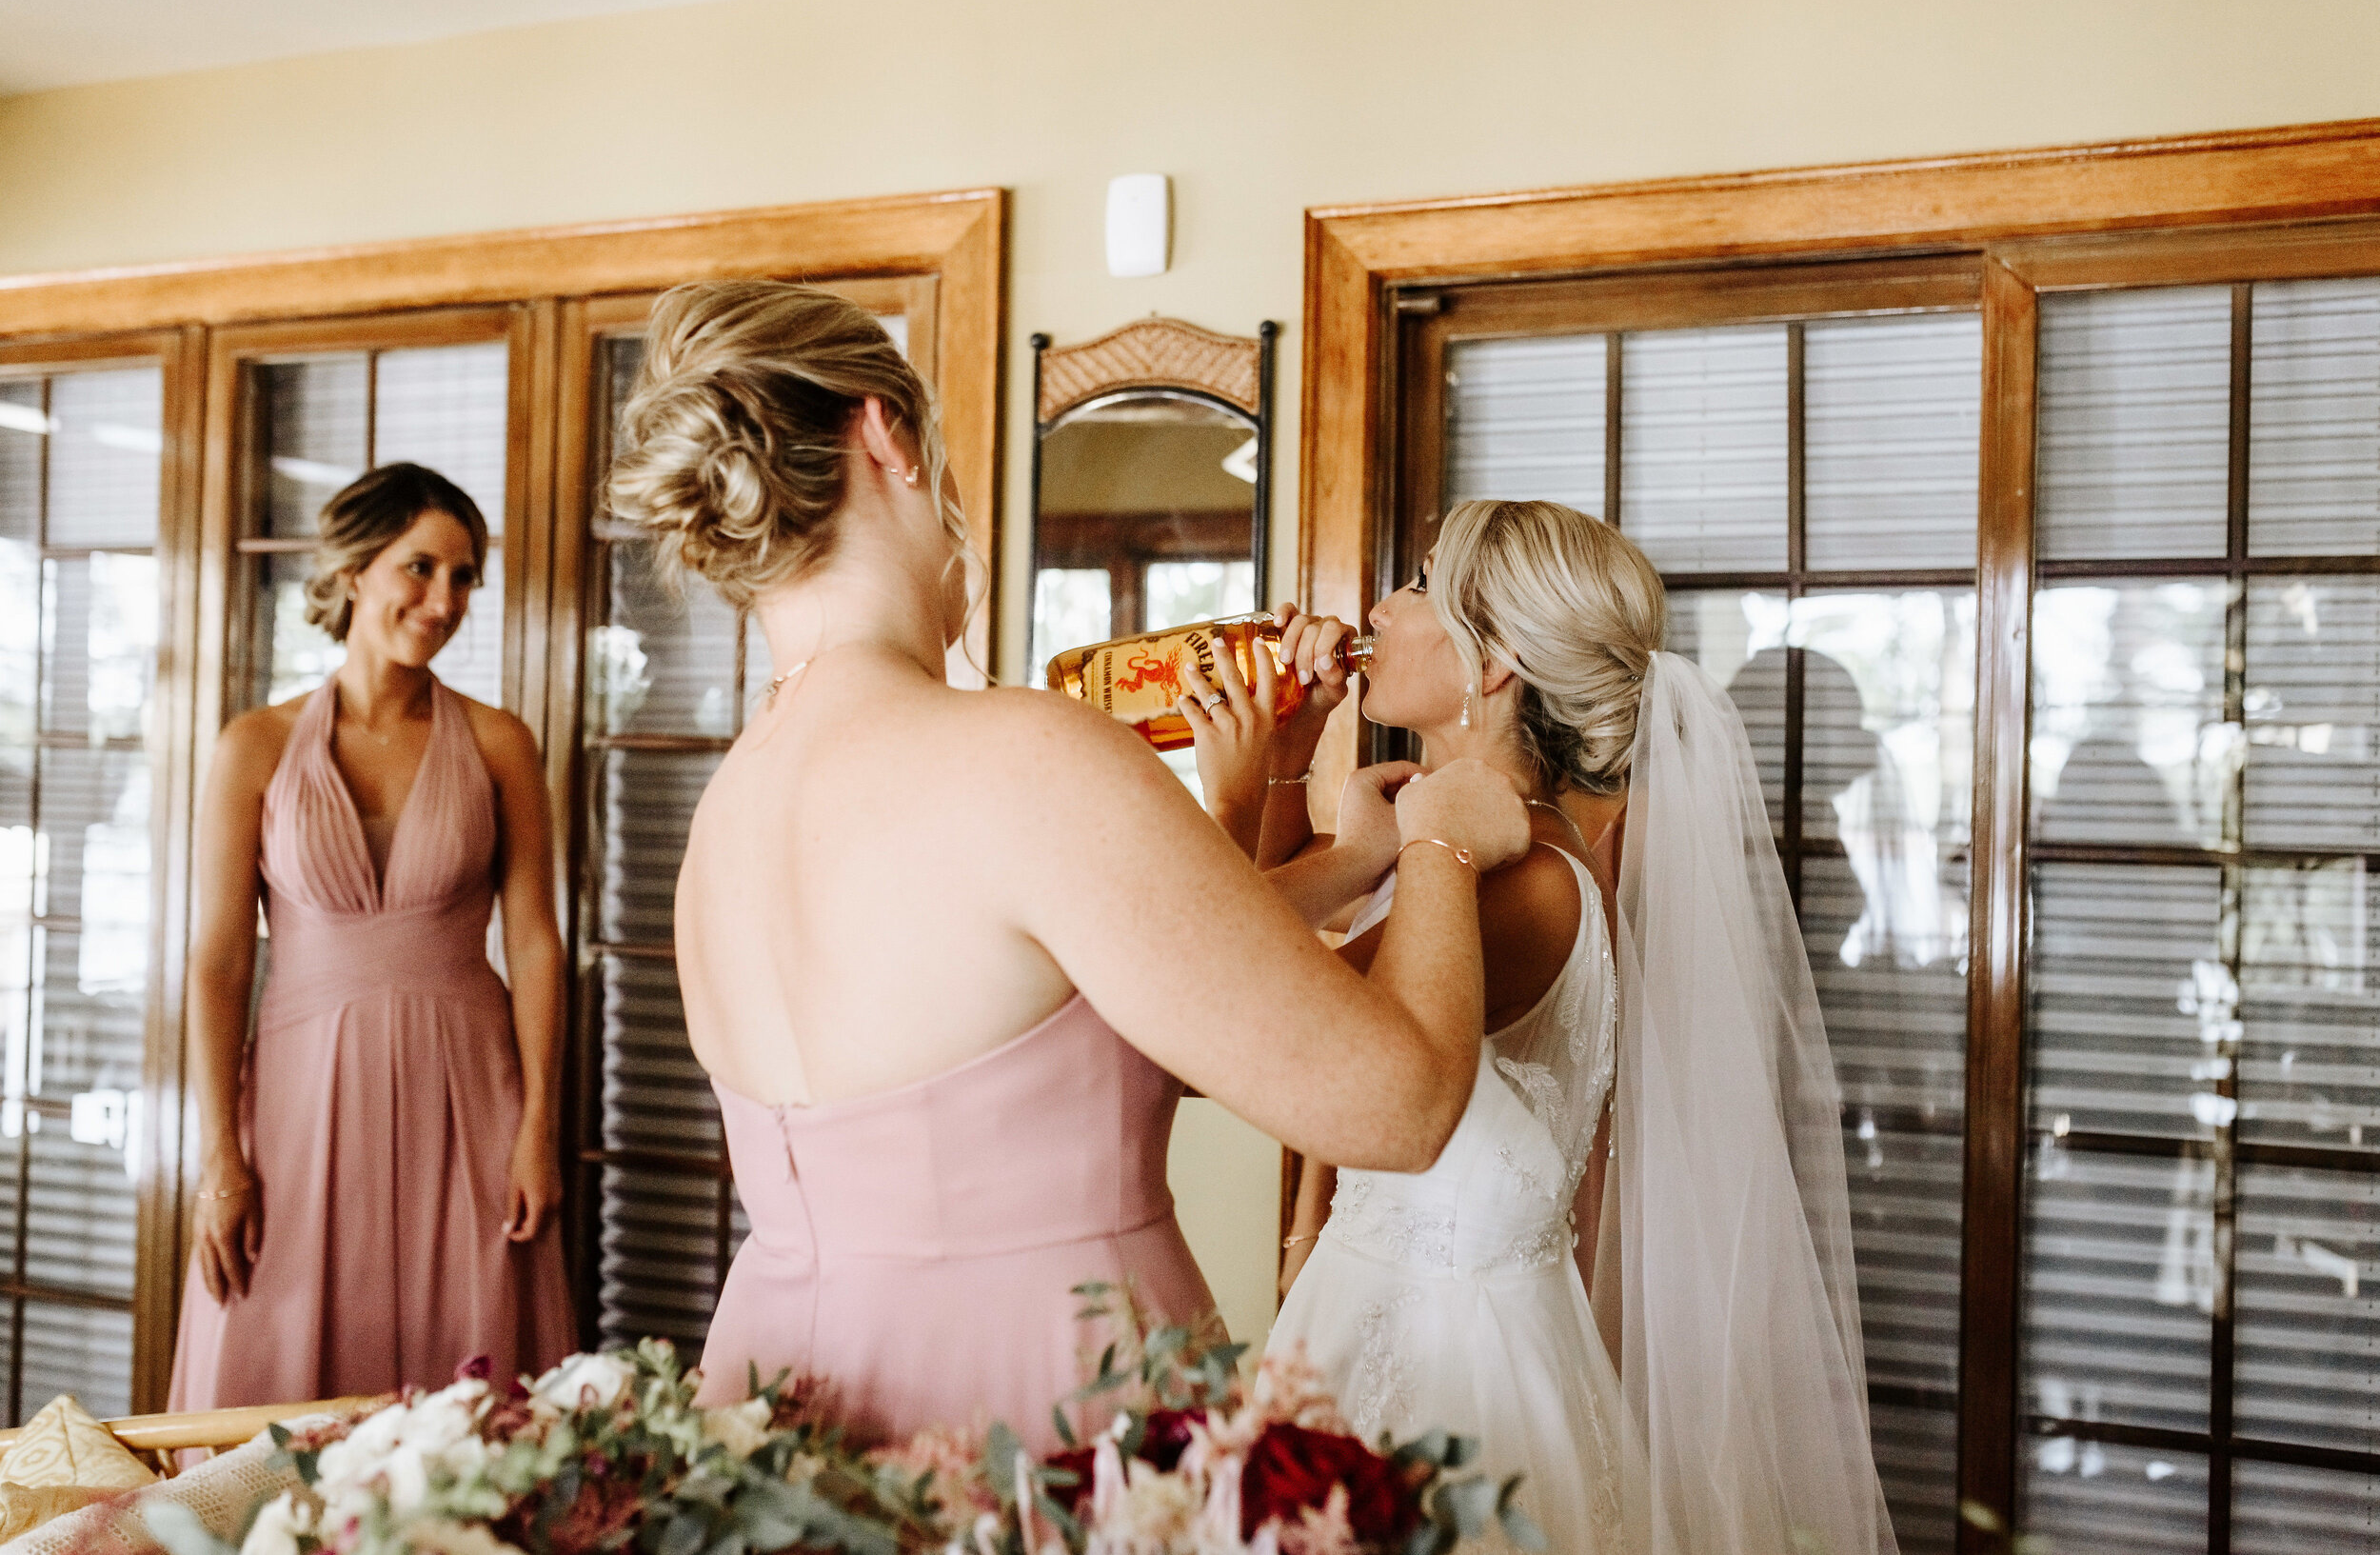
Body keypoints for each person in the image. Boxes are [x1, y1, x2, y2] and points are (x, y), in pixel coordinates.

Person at [603, 280, 1530, 1449]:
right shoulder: (1023, 751)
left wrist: (1347, 859)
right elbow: (1395, 1107)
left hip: (777, 1399)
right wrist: (1443, 840)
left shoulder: (728, 806)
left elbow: (1059, 993)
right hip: (1031, 1397)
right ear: (885, 438)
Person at [1192, 499, 1898, 1555]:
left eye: (1422, 585)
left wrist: (1233, 788)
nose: (1382, 606)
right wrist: (1297, 760)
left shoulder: (1515, 883)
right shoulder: (1461, 843)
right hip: (1379, 1307)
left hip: (1447, 1370)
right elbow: (1304, 971)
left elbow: (1260, 1016)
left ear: (1494, 664)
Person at [169, 464, 575, 1408]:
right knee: (272, 1342)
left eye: (466, 576)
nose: (444, 600)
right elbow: (219, 961)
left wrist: (539, 1129)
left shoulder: (501, 742)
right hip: (298, 1096)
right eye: (420, 568)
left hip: (471, 1088)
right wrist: (220, 1156)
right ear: (356, 570)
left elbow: (537, 944)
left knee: (466, 1357)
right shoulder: (254, 747)